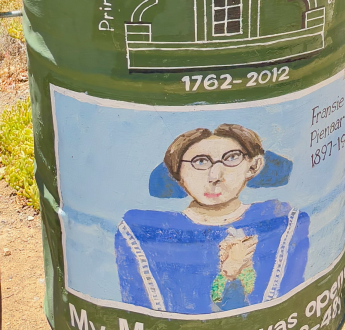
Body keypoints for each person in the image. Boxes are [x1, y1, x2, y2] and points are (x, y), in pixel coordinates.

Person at [115, 123, 309, 314]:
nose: (215, 176)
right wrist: (228, 272)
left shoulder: (286, 224)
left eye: (231, 158)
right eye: (200, 161)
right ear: (177, 173)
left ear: (254, 166)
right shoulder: (139, 234)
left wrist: (235, 275)